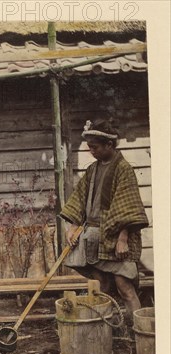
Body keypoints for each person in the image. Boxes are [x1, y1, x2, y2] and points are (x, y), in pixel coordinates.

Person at [60, 119, 149, 320]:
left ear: (109, 145)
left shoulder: (123, 169)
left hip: (116, 237)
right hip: (94, 237)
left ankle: (137, 331)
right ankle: (107, 330)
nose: (91, 151)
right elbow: (79, 199)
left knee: (124, 286)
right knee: (102, 287)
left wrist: (123, 238)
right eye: (89, 147)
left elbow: (127, 206)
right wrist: (72, 226)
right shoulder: (92, 170)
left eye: (95, 147)